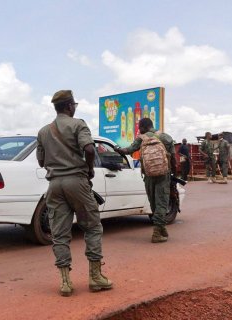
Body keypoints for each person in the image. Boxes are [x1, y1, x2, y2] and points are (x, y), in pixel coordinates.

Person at [36, 90, 113, 297]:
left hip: (54, 185)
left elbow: (41, 161)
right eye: (74, 105)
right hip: (77, 182)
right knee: (93, 226)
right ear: (70, 106)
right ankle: (96, 278)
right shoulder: (78, 124)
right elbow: (89, 149)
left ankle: (65, 282)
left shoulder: (43, 131)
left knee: (60, 233)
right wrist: (89, 169)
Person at [114, 118, 176, 243]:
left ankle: (159, 229)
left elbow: (128, 150)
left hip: (148, 175)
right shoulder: (166, 137)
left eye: (139, 127)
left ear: (143, 127)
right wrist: (173, 175)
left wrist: (118, 149)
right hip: (164, 175)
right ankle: (158, 232)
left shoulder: (141, 139)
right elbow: (173, 158)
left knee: (153, 202)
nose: (138, 130)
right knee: (162, 202)